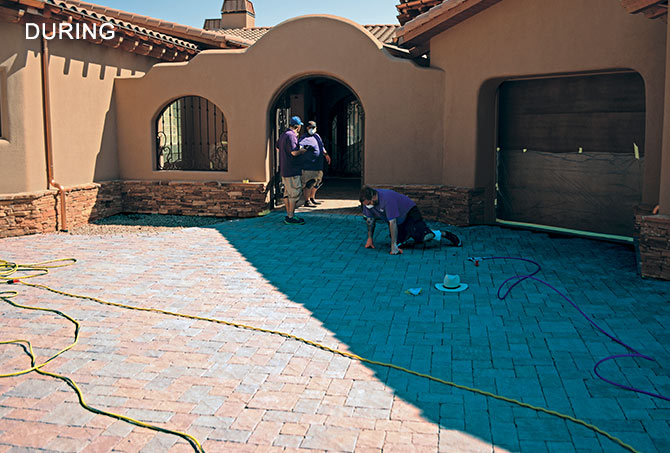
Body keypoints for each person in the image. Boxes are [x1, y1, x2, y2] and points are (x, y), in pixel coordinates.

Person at [360, 185, 461, 255]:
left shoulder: (387, 199)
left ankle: (444, 234)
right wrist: (370, 239)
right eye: (366, 204)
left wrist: (393, 246)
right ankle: (414, 232)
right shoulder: (367, 203)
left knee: (425, 237)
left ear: (373, 197)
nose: (368, 206)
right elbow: (370, 221)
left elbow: (392, 222)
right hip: (400, 220)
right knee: (399, 241)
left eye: (369, 203)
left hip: (410, 212)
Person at [278, 116, 309, 224]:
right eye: (300, 125)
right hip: (292, 169)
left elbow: (278, 148)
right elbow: (294, 152)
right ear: (297, 126)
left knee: (287, 193)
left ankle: (288, 215)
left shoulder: (283, 135)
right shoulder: (291, 136)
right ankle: (291, 216)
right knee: (294, 193)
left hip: (285, 168)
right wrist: (302, 150)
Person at [298, 120, 330, 207]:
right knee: (309, 183)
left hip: (318, 165)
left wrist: (326, 154)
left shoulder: (317, 136)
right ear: (307, 128)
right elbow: (299, 148)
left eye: (313, 127)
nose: (311, 129)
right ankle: (306, 200)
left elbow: (321, 146)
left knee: (317, 183)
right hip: (309, 166)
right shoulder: (304, 138)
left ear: (316, 128)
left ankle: (312, 198)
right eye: (310, 127)